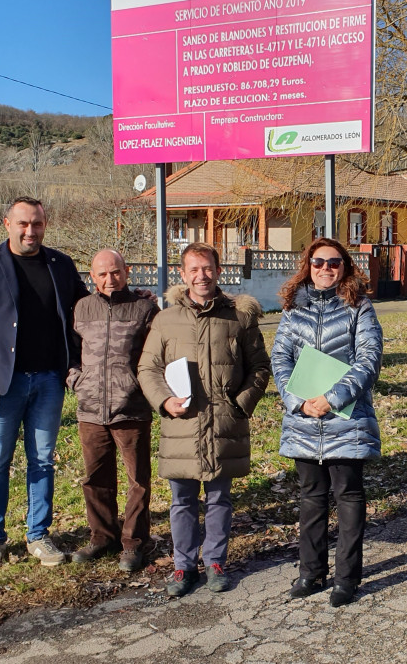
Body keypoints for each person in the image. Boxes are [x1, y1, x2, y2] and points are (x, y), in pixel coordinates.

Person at [0, 197, 88, 578]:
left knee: (42, 461)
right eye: (23, 224)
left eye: (38, 224)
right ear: (6, 223)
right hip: (1, 384)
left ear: (46, 225)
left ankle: (38, 534)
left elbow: (86, 308)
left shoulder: (60, 264)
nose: (31, 232)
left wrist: (128, 297)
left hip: (48, 380)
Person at [138, 242, 271, 597]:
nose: (202, 276)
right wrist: (164, 401)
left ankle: (214, 563)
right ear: (182, 275)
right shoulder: (165, 319)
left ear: (219, 271)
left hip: (224, 423)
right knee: (181, 501)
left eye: (208, 268)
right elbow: (147, 367)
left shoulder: (239, 318)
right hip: (181, 425)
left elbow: (259, 366)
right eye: (194, 269)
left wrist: (242, 403)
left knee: (219, 499)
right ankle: (183, 567)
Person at [271, 238, 383, 608]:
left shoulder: (359, 308)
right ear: (308, 265)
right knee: (310, 499)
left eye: (333, 262)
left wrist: (332, 398)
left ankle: (347, 578)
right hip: (303, 419)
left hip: (345, 420)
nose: (325, 269)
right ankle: (311, 573)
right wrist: (296, 401)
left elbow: (369, 358)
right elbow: (280, 358)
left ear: (345, 266)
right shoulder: (292, 311)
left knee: (349, 497)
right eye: (318, 262)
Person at [66, 249, 159, 573]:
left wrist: (139, 386)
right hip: (90, 408)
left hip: (131, 407)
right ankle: (102, 536)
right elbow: (70, 349)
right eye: (102, 274)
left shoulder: (144, 308)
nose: (109, 279)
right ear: (92, 276)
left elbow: (156, 355)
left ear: (127, 271)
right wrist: (76, 379)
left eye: (116, 272)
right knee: (95, 478)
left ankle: (134, 543)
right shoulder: (82, 308)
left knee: (138, 480)